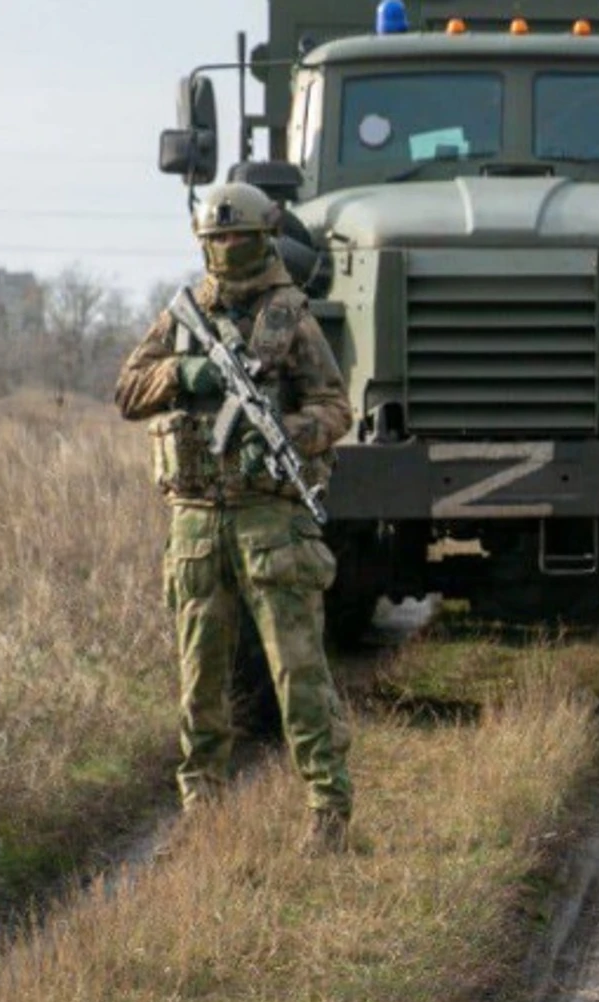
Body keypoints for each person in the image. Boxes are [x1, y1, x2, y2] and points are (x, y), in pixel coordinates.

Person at [114, 181, 356, 853]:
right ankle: (202, 815)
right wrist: (187, 375)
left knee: (298, 675)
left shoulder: (290, 317)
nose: (225, 250)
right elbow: (127, 390)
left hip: (271, 522)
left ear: (261, 239)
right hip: (195, 521)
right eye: (215, 240)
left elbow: (337, 409)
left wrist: (287, 428)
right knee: (199, 679)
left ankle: (328, 812)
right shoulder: (183, 313)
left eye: (236, 238)